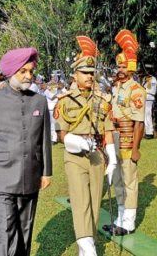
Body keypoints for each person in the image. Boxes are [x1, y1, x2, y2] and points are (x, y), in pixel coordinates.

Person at [0, 47, 52, 256]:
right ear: (11, 72)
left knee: (25, 233)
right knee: (5, 233)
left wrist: (46, 172)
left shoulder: (40, 101)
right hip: (2, 177)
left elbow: (44, 139)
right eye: (23, 71)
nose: (28, 76)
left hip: (31, 175)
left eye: (30, 71)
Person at [55, 36, 117, 256]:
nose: (90, 77)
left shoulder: (102, 99)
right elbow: (61, 133)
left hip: (97, 155)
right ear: (75, 75)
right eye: (85, 73)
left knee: (94, 204)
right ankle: (89, 250)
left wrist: (113, 158)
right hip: (75, 156)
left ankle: (85, 247)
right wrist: (77, 141)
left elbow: (108, 130)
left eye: (92, 73)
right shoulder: (65, 100)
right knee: (81, 202)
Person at [102, 29, 146, 236]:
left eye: (123, 66)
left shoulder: (137, 90)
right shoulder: (117, 87)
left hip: (129, 140)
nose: (119, 69)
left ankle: (129, 222)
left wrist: (136, 147)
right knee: (117, 179)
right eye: (118, 66)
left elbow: (139, 122)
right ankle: (119, 218)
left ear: (131, 69)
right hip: (116, 138)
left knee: (129, 181)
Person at [142, 65, 157, 139]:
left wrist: (144, 87)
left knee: (148, 115)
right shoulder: (145, 79)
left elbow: (150, 89)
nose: (146, 71)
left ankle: (150, 132)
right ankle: (147, 132)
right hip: (144, 97)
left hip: (149, 97)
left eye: (148, 70)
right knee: (145, 115)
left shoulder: (152, 79)